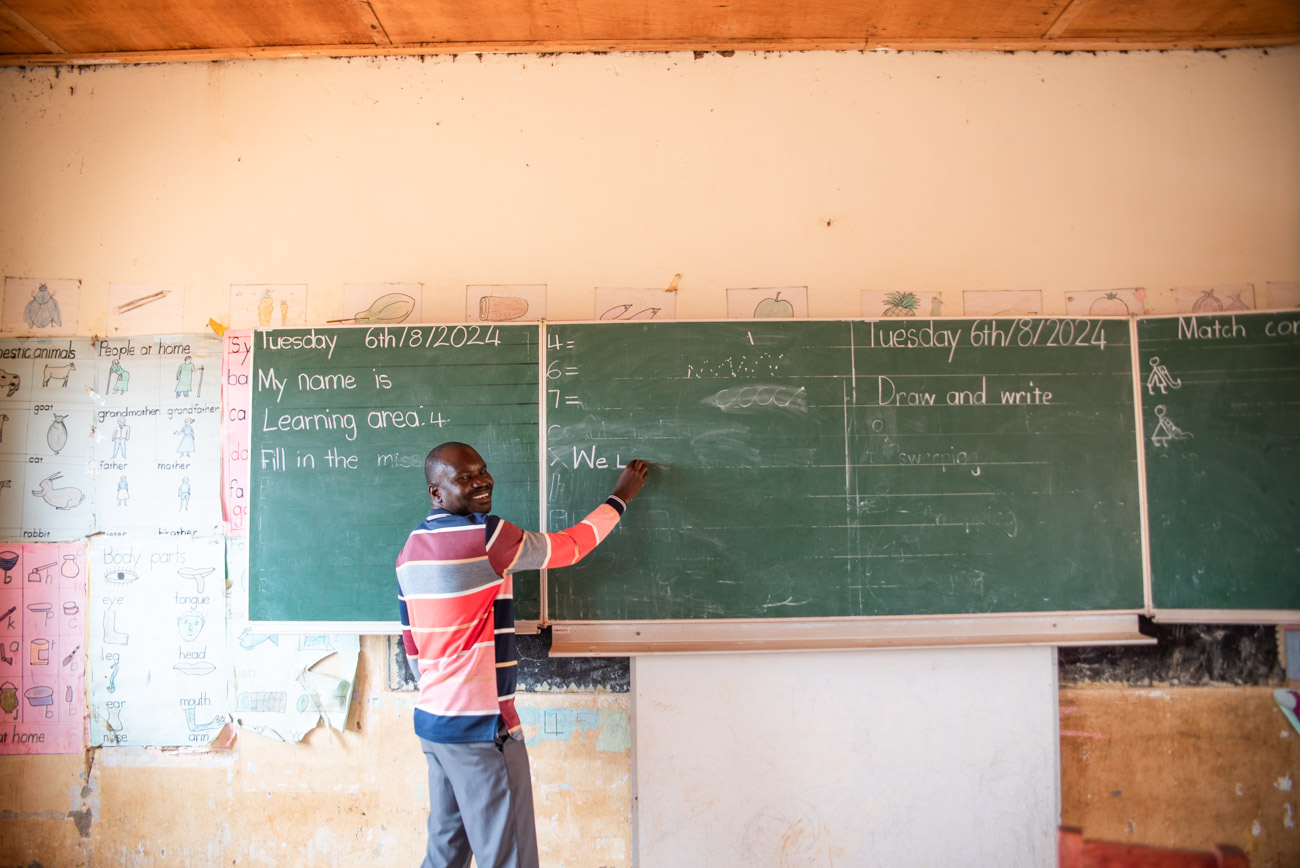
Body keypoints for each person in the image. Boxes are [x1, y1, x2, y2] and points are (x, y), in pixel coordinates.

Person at [397, 442, 648, 868]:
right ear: (436, 493)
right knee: (509, 857)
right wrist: (619, 497)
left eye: (483, 470)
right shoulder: (486, 536)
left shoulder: (409, 551)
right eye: (464, 477)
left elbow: (413, 648)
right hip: (479, 728)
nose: (481, 482)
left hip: (434, 725)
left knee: (446, 853)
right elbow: (570, 547)